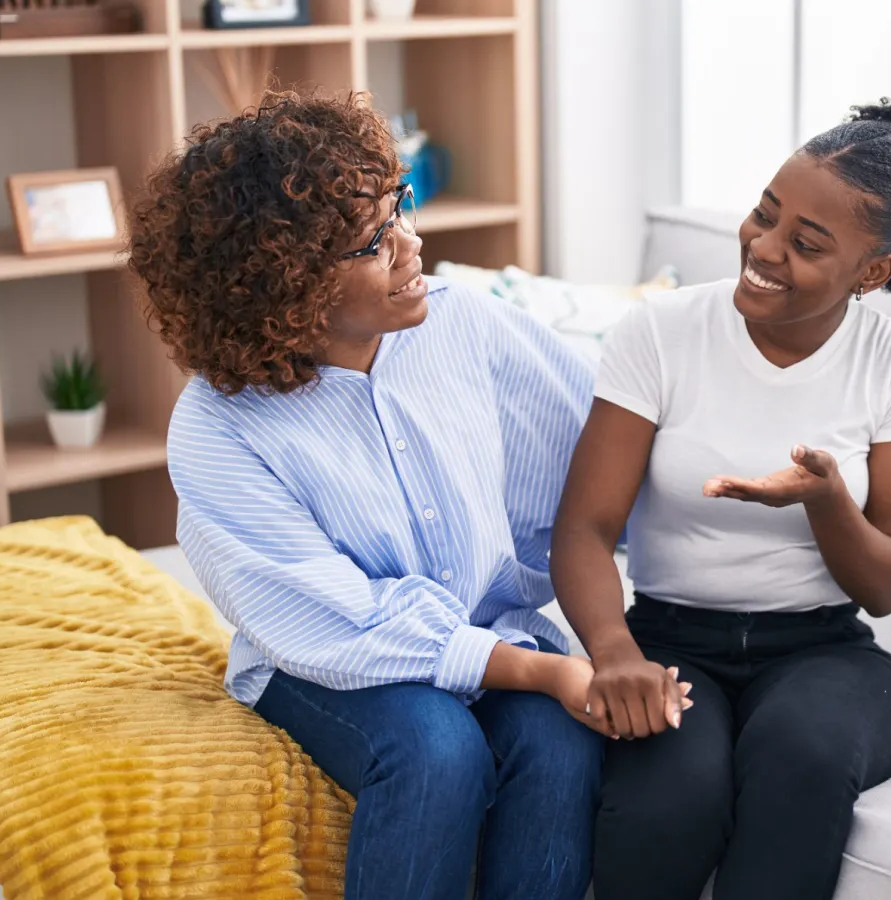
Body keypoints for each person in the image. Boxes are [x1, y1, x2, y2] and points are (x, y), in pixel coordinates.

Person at [127, 91, 674, 900]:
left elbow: (606, 465)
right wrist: (547, 671)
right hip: (328, 661)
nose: (413, 245)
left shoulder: (469, 327)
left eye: (401, 210)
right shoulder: (217, 431)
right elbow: (338, 622)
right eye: (374, 242)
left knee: (559, 740)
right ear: (286, 288)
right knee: (434, 744)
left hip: (490, 631)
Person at [550, 91, 891, 900]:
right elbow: (585, 527)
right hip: (670, 640)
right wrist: (615, 655)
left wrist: (825, 499)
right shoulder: (661, 333)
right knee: (670, 800)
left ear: (873, 272)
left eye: (807, 243)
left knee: (803, 757)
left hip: (824, 653)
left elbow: (888, 585)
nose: (764, 247)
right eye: (764, 214)